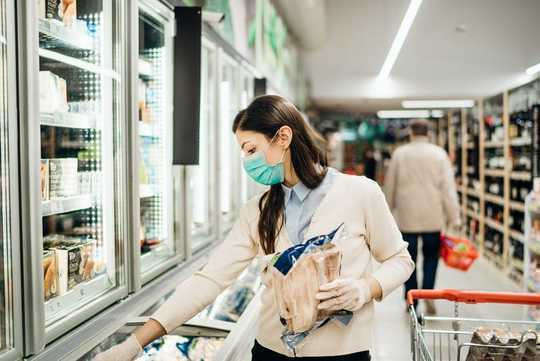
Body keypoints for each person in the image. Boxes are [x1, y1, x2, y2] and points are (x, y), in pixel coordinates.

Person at [95, 95, 414, 361]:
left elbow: (400, 261)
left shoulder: (360, 192)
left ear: (284, 137)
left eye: (250, 149)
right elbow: (210, 279)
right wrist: (135, 343)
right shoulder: (259, 210)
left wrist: (364, 288)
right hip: (270, 352)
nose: (246, 160)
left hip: (343, 354)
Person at [384, 119, 461, 314]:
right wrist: (455, 217)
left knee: (408, 260)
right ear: (429, 133)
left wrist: (386, 212)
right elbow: (448, 189)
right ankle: (427, 295)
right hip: (432, 217)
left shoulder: (400, 155)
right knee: (431, 258)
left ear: (411, 132)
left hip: (407, 217)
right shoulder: (439, 154)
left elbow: (390, 186)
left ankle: (411, 299)